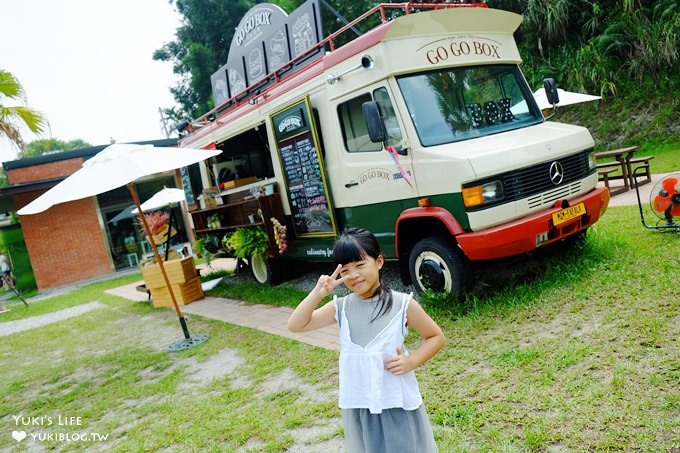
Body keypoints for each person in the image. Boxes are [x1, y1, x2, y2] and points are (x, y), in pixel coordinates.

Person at [288, 227, 445, 452]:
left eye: (360, 265)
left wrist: (411, 362)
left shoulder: (403, 305)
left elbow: (435, 337)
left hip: (395, 403)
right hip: (360, 406)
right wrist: (317, 294)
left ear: (379, 261)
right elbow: (296, 325)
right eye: (345, 271)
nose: (353, 275)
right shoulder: (340, 307)